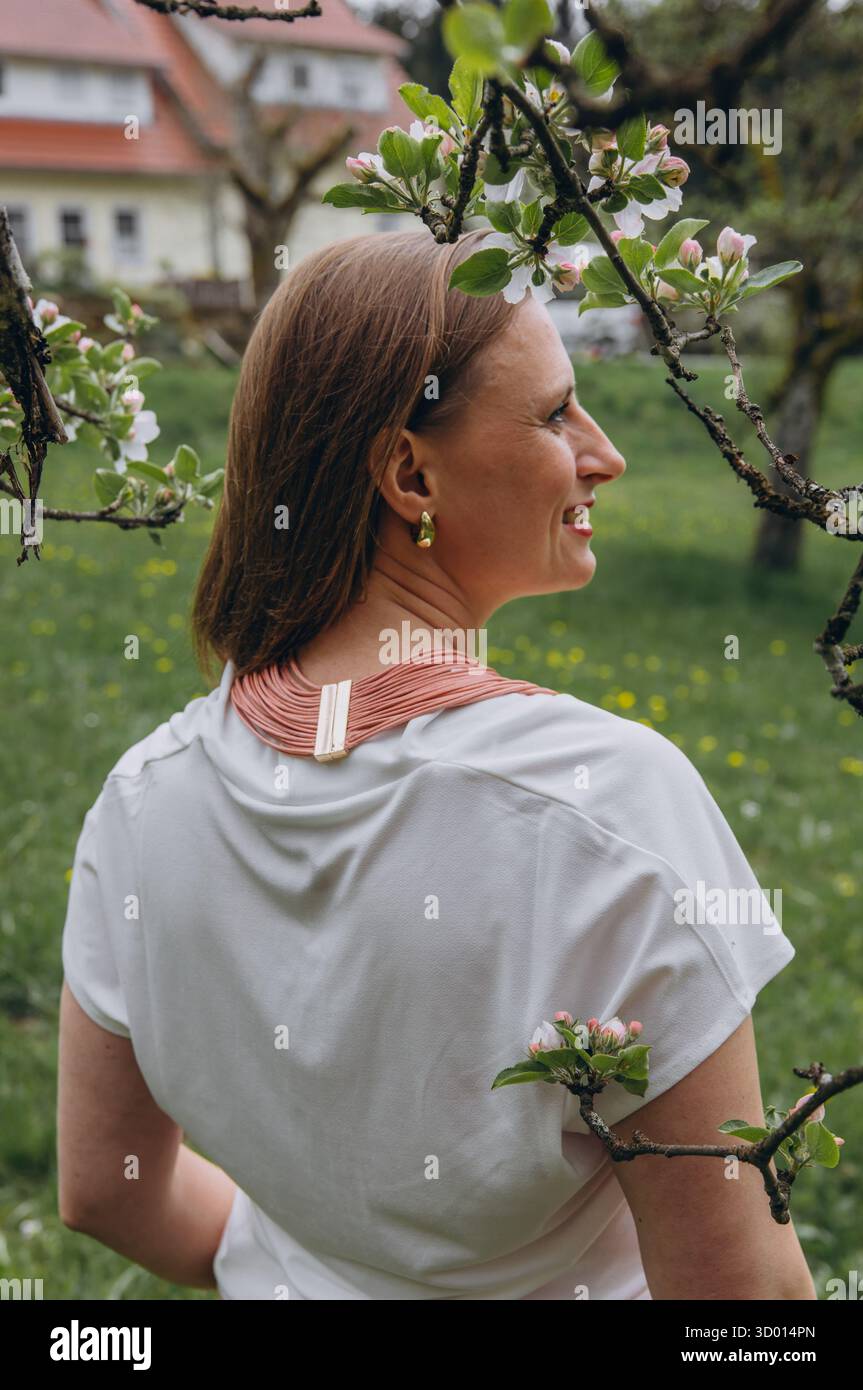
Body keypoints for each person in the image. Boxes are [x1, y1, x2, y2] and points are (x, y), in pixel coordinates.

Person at [57, 229, 815, 1301]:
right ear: (409, 473)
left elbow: (107, 1191)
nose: (605, 453)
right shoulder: (607, 807)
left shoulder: (140, 802)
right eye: (555, 414)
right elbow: (744, 1305)